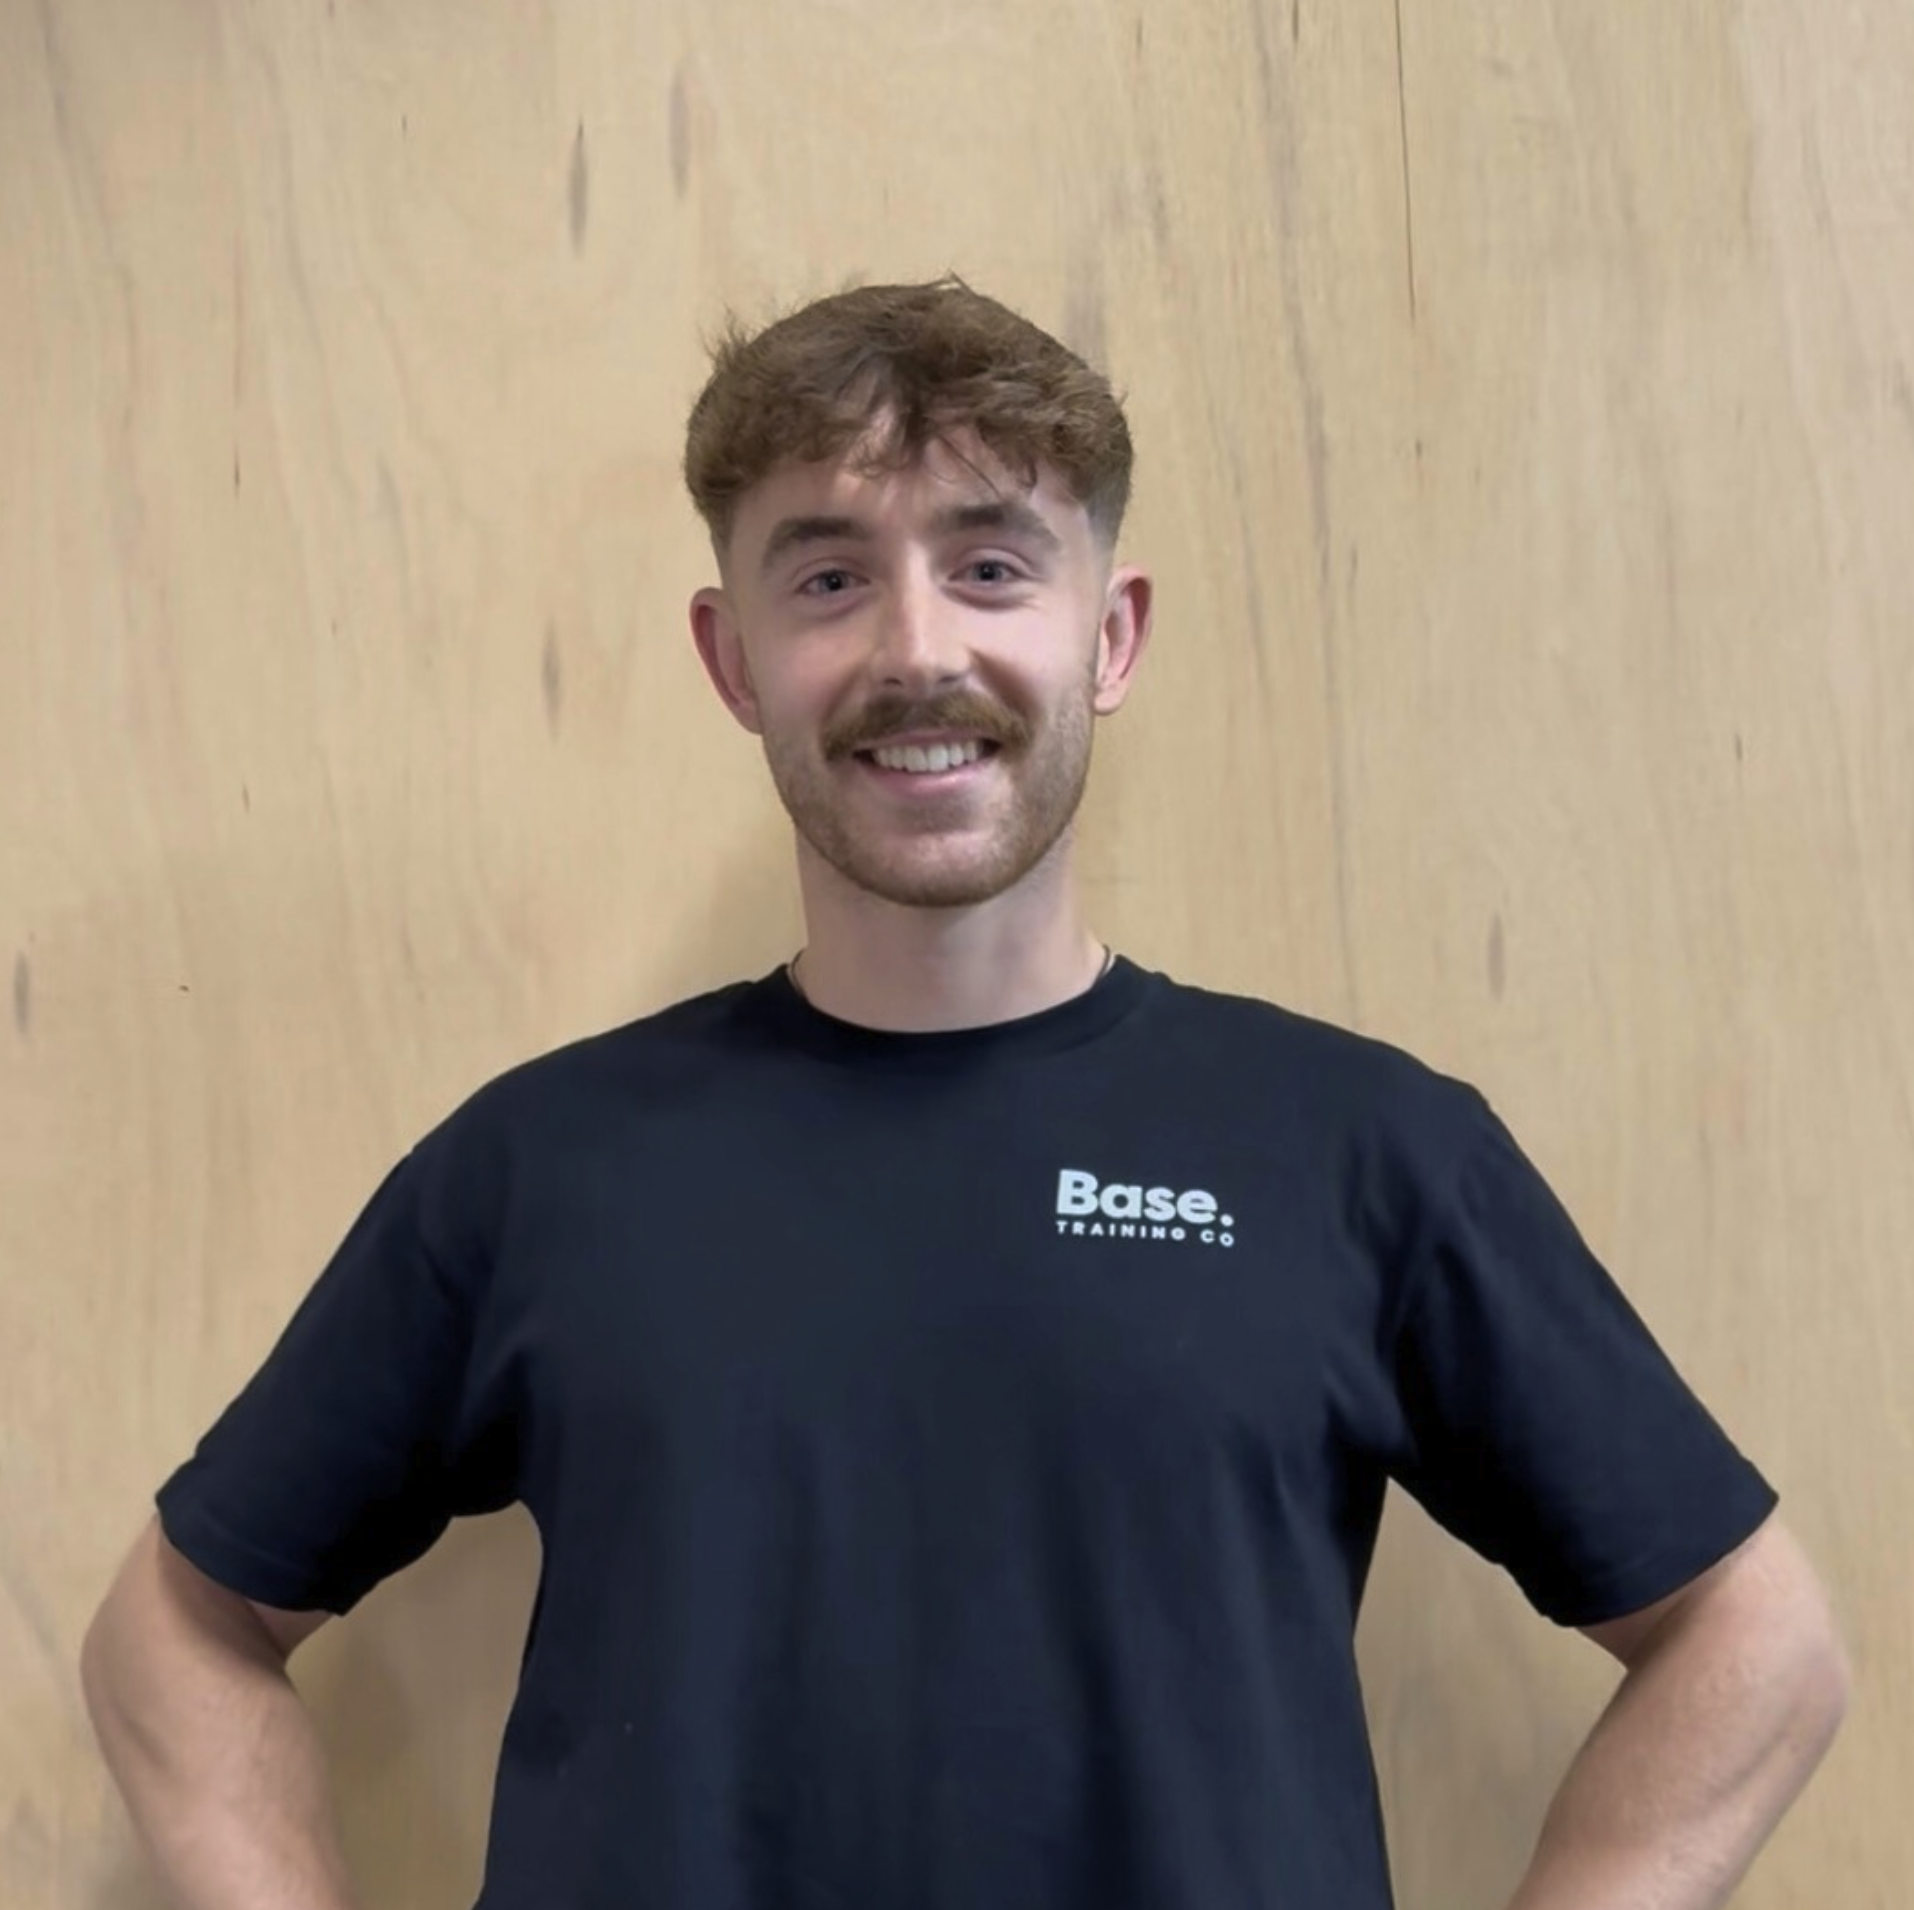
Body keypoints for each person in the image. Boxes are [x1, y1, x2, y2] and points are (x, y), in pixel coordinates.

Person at [82, 278, 1848, 1910]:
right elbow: (175, 1627)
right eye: (828, 575)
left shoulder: (1359, 1153)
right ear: (731, 655)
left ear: (1111, 633)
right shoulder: (541, 1170)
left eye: (993, 566)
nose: (917, 650)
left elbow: (1753, 1643)